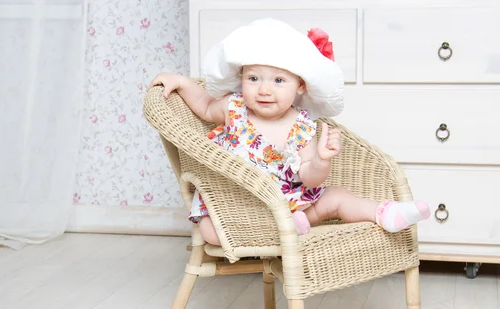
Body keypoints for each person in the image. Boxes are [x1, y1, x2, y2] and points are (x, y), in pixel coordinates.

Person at [149, 18, 429, 245]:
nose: (264, 89)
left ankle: (385, 212)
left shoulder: (302, 126)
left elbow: (308, 178)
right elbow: (204, 104)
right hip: (238, 205)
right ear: (241, 78)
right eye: (253, 78)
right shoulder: (233, 107)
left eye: (279, 80)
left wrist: (321, 160)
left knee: (337, 197)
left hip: (291, 205)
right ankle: (278, 228)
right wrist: (182, 83)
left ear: (300, 86)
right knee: (209, 232)